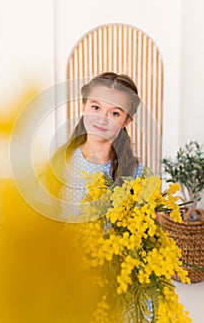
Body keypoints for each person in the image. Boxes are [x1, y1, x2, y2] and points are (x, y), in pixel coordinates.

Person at [44, 72, 143, 219]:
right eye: (96, 107)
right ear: (84, 107)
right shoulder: (61, 161)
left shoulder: (133, 170)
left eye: (114, 113)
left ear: (126, 121)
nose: (101, 120)